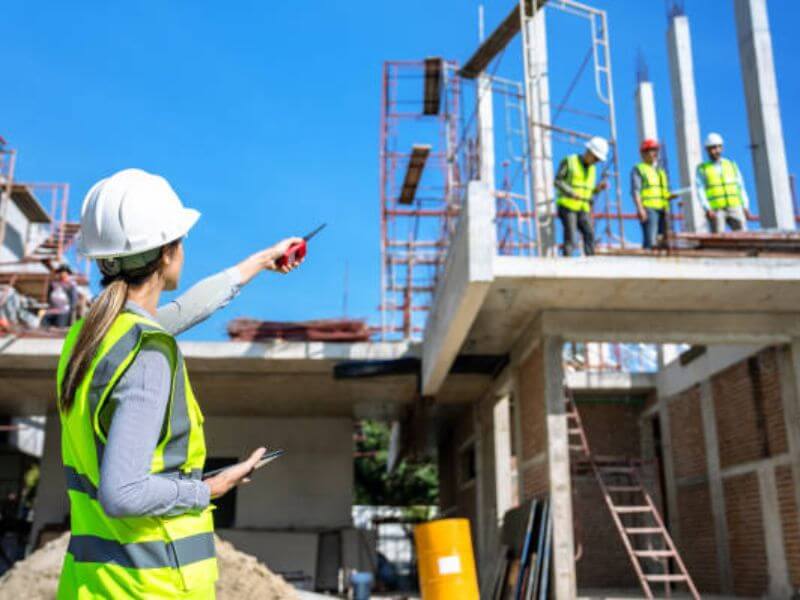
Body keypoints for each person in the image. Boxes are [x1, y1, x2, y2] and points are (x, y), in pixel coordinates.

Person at [56, 168, 304, 598]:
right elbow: (124, 493)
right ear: (168, 252)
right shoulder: (147, 353)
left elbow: (186, 309)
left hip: (93, 585)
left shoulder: (89, 338)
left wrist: (263, 261)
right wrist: (209, 487)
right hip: (150, 587)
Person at [555, 136, 610, 256]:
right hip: (567, 205)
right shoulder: (569, 161)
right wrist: (571, 192)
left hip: (582, 208)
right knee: (571, 237)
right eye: (596, 158)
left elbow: (587, 191)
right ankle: (567, 261)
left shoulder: (592, 169)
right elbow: (557, 181)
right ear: (589, 152)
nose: (596, 161)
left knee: (589, 233)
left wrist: (597, 189)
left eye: (598, 160)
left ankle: (591, 261)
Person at [696, 132, 751, 232]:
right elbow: (700, 190)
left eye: (718, 147)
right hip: (716, 209)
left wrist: (745, 206)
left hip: (735, 206)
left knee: (743, 235)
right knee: (718, 239)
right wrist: (707, 208)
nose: (716, 150)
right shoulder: (703, 169)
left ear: (722, 148)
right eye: (713, 148)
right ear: (707, 150)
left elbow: (740, 187)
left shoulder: (731, 165)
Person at [631, 139, 677, 249]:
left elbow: (664, 191)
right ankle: (648, 262)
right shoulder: (639, 169)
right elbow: (635, 191)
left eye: (656, 150)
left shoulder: (660, 171)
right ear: (643, 153)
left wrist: (670, 196)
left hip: (663, 209)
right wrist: (640, 209)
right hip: (649, 208)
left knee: (663, 240)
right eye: (651, 150)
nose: (655, 153)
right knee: (651, 240)